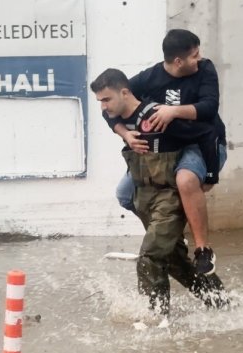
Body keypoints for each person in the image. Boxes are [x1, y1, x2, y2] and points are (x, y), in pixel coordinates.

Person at [92, 69, 226, 317]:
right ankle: (221, 303)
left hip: (169, 195)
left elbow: (206, 133)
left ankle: (155, 319)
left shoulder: (156, 117)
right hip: (145, 197)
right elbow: (109, 118)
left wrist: (210, 176)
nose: (102, 106)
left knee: (151, 257)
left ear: (124, 92)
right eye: (100, 100)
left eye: (106, 99)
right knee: (173, 260)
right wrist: (125, 135)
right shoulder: (118, 119)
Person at [108, 29, 227, 277]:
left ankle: (203, 250)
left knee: (185, 179)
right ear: (177, 62)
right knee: (124, 194)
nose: (200, 57)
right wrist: (126, 135)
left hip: (204, 144)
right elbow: (112, 107)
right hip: (169, 150)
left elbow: (209, 108)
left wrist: (173, 111)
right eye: (194, 55)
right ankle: (168, 234)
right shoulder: (149, 78)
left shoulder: (205, 69)